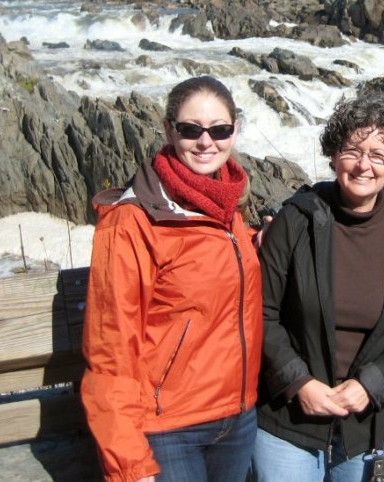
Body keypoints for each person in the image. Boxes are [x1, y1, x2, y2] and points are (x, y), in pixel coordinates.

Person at [81, 76, 262, 482]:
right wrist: (128, 461)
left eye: (219, 129)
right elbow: (110, 348)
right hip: (168, 429)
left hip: (238, 418)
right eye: (190, 129)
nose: (205, 141)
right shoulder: (133, 220)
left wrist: (257, 240)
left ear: (234, 130)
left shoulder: (228, 206)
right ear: (168, 130)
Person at [251, 92, 384, 482]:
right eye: (352, 150)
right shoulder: (296, 219)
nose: (363, 165)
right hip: (288, 421)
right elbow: (260, 310)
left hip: (369, 422)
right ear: (332, 155)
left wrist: (371, 384)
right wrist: (298, 382)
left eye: (378, 154)